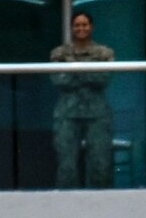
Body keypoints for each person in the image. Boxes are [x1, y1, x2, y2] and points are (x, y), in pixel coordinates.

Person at [50, 11, 118, 189]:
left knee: (100, 165)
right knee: (67, 167)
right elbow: (58, 80)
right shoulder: (59, 53)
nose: (81, 28)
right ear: (72, 28)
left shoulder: (104, 52)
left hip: (97, 113)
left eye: (85, 24)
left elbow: (103, 79)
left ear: (92, 27)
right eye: (77, 25)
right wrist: (90, 72)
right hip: (67, 113)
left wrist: (73, 71)